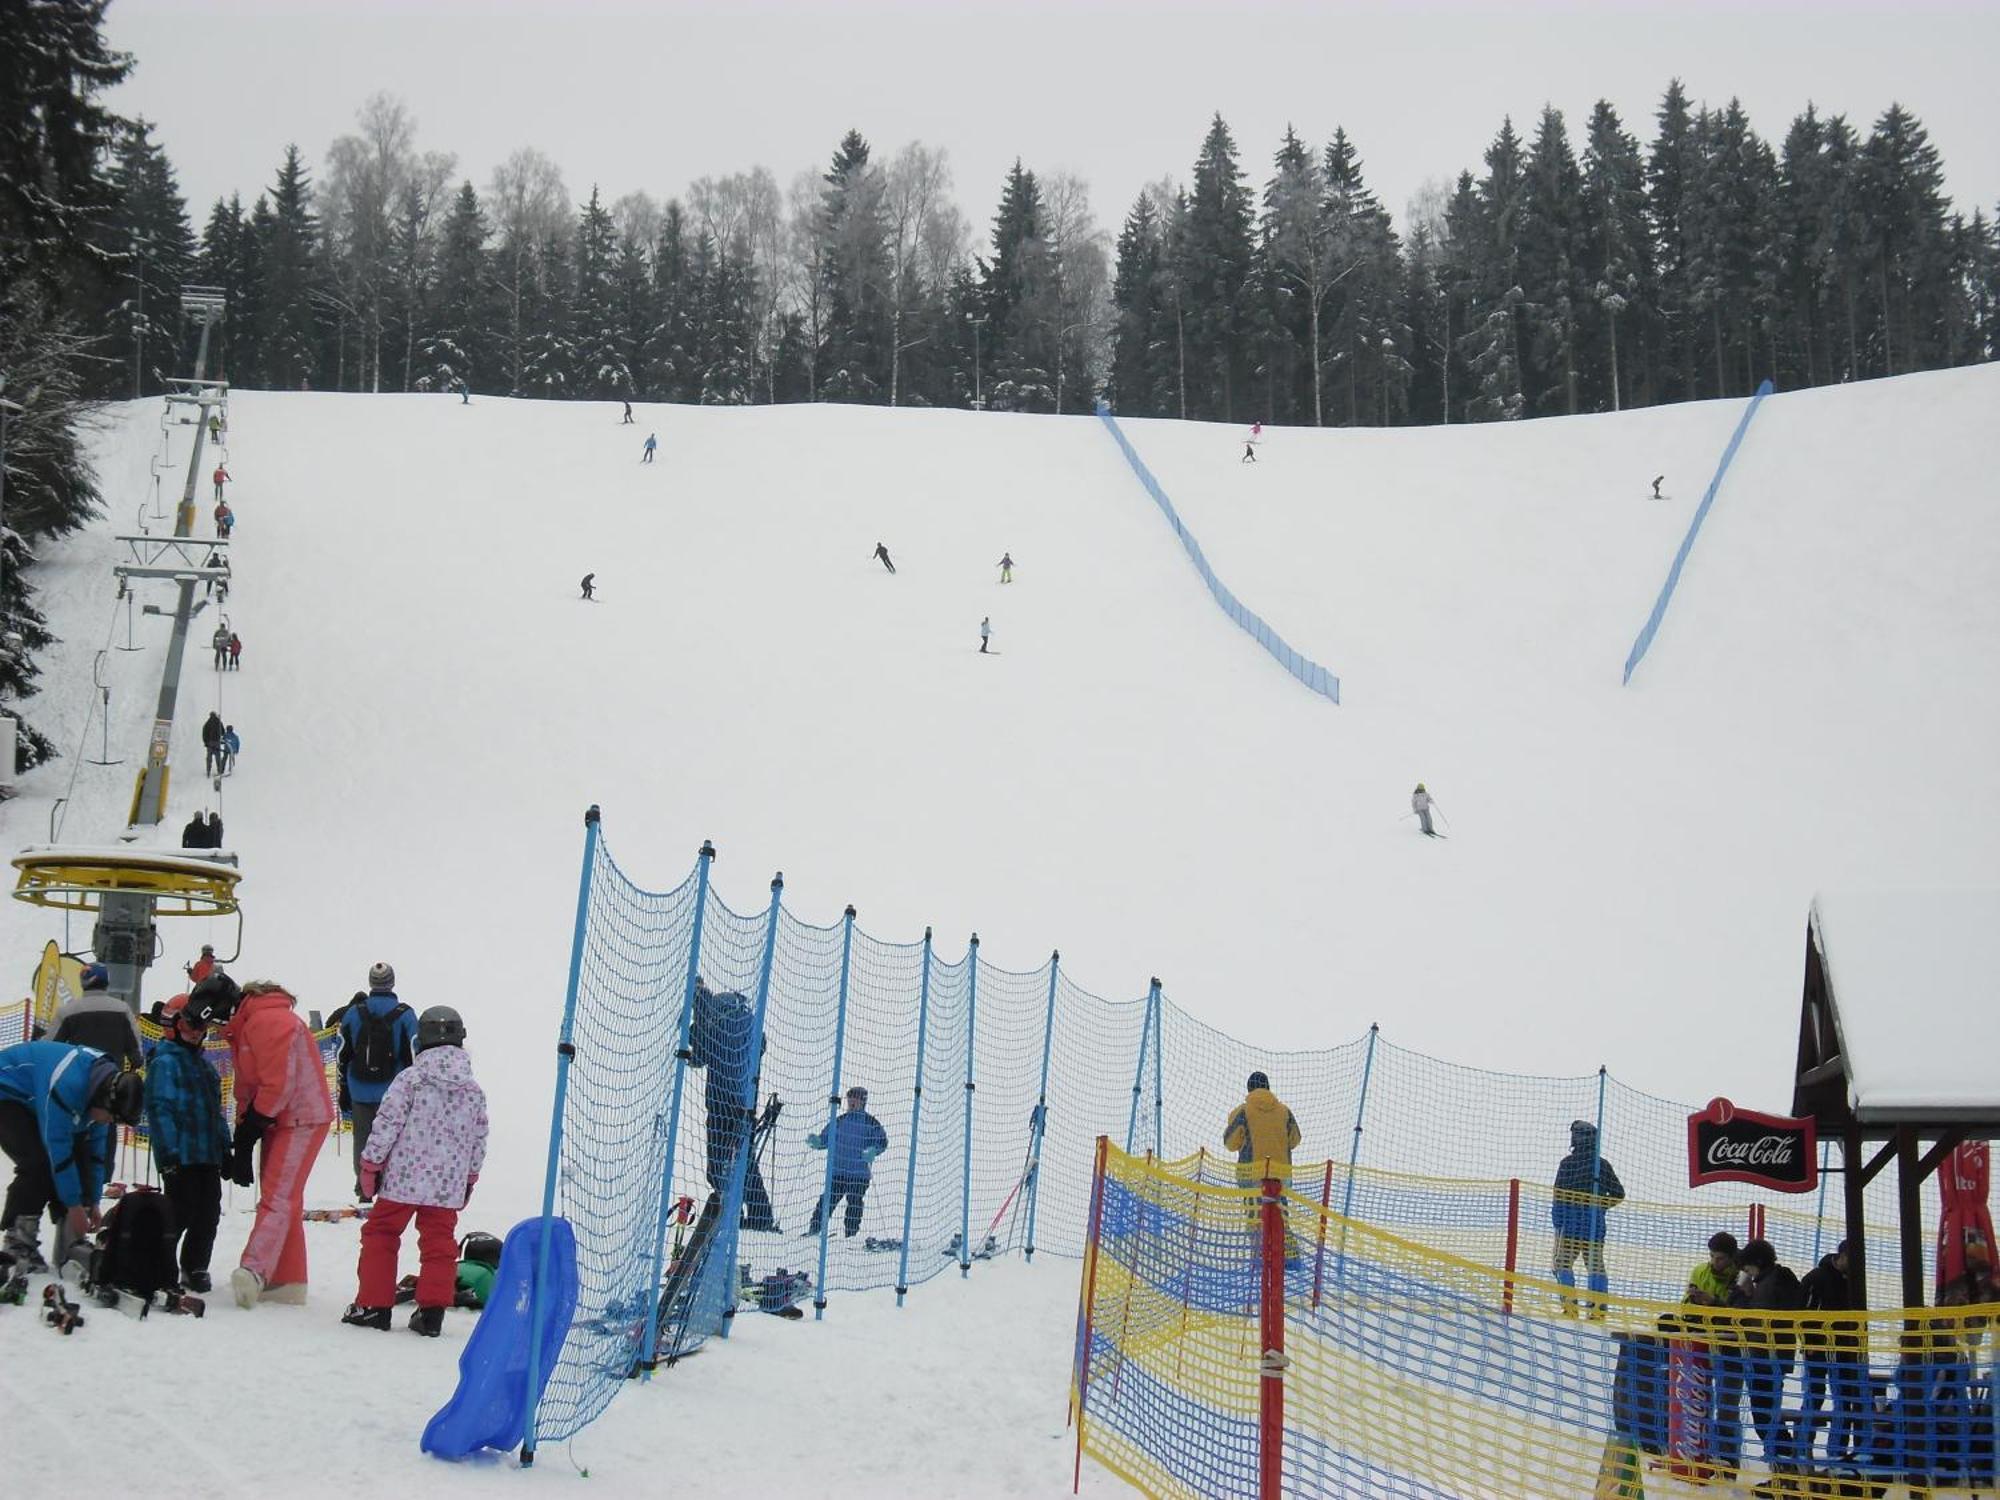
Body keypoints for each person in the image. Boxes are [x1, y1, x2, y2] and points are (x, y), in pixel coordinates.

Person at [343, 1005, 487, 1337]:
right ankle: (431, 1313)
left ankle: (374, 1307)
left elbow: (387, 1125)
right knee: (439, 1245)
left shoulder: (410, 1079)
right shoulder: (473, 1090)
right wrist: (469, 1178)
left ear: (420, 1041)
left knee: (381, 1235)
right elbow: (479, 1138)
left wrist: (371, 1165)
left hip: (402, 1181)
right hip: (445, 1186)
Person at [220, 976, 333, 1308]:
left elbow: (278, 1083)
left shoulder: (269, 1020)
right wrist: (245, 1132)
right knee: (286, 1199)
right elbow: (249, 1085)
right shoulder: (250, 1023)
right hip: (282, 1117)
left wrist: (254, 1122)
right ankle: (287, 1279)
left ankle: (255, 1270)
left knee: (278, 1197)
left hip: (300, 1117)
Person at [0, 1040, 142, 1272]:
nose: (108, 1123)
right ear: (105, 1101)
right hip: (7, 1092)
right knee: (38, 1163)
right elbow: (57, 1151)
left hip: (37, 1096)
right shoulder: (68, 1084)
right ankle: (18, 1241)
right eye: (111, 1118)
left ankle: (70, 1241)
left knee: (81, 1159)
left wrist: (93, 1201)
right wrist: (74, 1206)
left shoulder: (103, 1091)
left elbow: (96, 1156)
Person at [143, 990, 231, 1293]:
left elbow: (215, 1111)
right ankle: (157, 1263)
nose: (196, 1035)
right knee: (180, 1210)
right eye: (189, 1027)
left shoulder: (205, 1067)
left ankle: (195, 1266)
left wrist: (225, 1147)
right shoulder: (164, 1063)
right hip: (181, 1156)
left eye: (200, 1029)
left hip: (207, 1154)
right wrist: (168, 1157)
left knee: (208, 1213)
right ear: (173, 1025)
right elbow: (159, 1110)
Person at [687, 981, 776, 1232]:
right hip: (745, 1103)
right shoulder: (751, 1026)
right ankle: (760, 1216)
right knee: (744, 1161)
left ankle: (732, 1213)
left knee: (718, 1165)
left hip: (721, 1102)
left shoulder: (723, 1027)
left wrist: (699, 1005)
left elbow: (700, 1052)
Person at [1715, 1237, 1803, 1474]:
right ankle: (1783, 1465)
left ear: (1758, 1262)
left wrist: (1744, 1295)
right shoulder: (1765, 1283)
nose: (1746, 1271)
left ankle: (1785, 1465)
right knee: (1764, 1415)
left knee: (1766, 1416)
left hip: (1769, 1358)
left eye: (1748, 1267)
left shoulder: (1776, 1281)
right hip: (1762, 1357)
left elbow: (1758, 1316)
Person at [337, 963, 418, 1199]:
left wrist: (344, 1087)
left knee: (362, 1137)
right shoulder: (405, 1014)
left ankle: (364, 1187)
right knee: (393, 1138)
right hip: (394, 1091)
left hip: (359, 1088)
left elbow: (342, 1052)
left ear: (371, 982)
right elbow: (414, 1052)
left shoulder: (354, 1012)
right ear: (392, 982)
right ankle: (390, 1186)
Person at [1798, 1239, 1866, 1464]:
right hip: (1817, 1349)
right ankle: (1802, 1448)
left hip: (1846, 1350)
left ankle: (1836, 1453)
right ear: (1842, 1257)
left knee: (1845, 1399)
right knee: (1814, 1397)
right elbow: (1801, 1313)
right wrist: (1808, 1342)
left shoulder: (1856, 1281)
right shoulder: (1816, 1277)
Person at [1551, 1119, 1626, 1318]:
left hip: (1571, 1225)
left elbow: (1558, 1195)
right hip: (1594, 1226)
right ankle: (1597, 1309)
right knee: (1595, 1265)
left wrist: (1558, 1223)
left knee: (1562, 1264)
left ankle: (1570, 1307)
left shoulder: (1568, 1163)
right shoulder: (1601, 1165)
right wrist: (1600, 1207)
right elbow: (1619, 1193)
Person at [803, 1086, 889, 1239]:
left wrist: (873, 1151)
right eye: (849, 1099)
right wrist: (817, 1141)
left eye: (855, 1099)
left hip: (859, 1174)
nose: (851, 1102)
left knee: (854, 1202)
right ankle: (814, 1230)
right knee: (826, 1201)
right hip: (838, 1171)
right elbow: (826, 1139)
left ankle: (851, 1235)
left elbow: (882, 1141)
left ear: (863, 1101)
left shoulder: (870, 1122)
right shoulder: (840, 1121)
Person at [202, 709, 226, 777]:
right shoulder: (219, 722)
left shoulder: (207, 723)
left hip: (210, 743)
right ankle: (219, 771)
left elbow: (204, 733)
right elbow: (223, 732)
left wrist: (206, 742)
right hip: (217, 742)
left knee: (209, 758)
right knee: (218, 757)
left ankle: (208, 771)